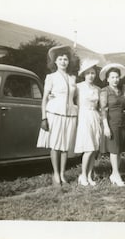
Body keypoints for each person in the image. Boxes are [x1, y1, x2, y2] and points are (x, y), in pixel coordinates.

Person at [37, 45, 78, 186]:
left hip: (70, 115)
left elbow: (76, 97)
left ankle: (62, 174)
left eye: (65, 59)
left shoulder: (73, 78)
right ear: (55, 62)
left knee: (65, 145)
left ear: (69, 61)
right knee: (55, 144)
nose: (63, 62)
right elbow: (44, 99)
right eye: (60, 59)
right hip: (54, 113)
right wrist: (44, 118)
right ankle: (55, 174)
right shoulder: (51, 77)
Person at [74, 59, 102, 186]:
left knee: (94, 148)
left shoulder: (98, 89)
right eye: (88, 73)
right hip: (84, 116)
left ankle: (90, 176)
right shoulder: (78, 87)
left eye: (93, 73)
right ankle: (83, 175)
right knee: (88, 148)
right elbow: (69, 99)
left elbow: (101, 106)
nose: (91, 75)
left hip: (95, 116)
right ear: (84, 74)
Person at [99, 63, 125, 187]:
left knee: (119, 150)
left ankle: (114, 174)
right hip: (111, 123)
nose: (115, 79)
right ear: (108, 79)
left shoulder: (120, 91)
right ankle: (116, 174)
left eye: (117, 77)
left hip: (122, 123)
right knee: (114, 150)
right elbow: (103, 109)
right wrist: (106, 126)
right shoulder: (105, 91)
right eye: (112, 77)